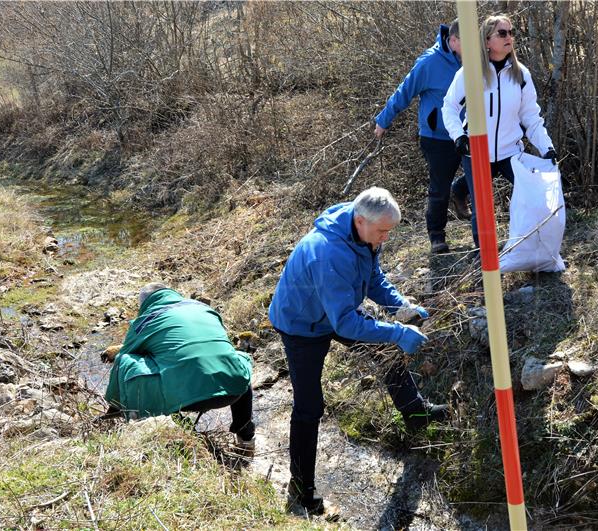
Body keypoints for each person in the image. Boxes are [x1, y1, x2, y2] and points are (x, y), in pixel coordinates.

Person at [268, 187, 448, 514]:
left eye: (389, 232)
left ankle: (415, 413)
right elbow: (346, 324)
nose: (385, 239)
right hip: (301, 324)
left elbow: (374, 279)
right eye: (382, 232)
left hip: (335, 312)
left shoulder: (362, 234)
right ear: (361, 220)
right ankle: (300, 491)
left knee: (382, 352)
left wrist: (402, 307)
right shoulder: (328, 253)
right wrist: (396, 332)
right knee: (310, 406)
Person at [442, 14, 557, 247]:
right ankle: (482, 257)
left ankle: (533, 247)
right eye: (502, 33)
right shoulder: (470, 72)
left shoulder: (521, 74)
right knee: (483, 209)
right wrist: (459, 136)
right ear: (486, 41)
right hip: (476, 153)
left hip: (509, 152)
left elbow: (531, 117)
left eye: (511, 32)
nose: (509, 37)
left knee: (531, 195)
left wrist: (547, 147)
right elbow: (449, 107)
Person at [103, 282, 255, 452]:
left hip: (185, 399)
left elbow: (126, 352)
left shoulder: (144, 322)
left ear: (145, 304)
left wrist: (114, 404)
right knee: (237, 360)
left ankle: (170, 426)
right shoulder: (203, 308)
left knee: (125, 360)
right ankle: (246, 436)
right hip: (234, 390)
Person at [375, 19, 472, 255]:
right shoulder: (430, 62)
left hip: (469, 132)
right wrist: (383, 120)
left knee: (482, 175)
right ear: (453, 40)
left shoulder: (475, 60)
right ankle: (437, 236)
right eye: (468, 42)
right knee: (439, 189)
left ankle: (459, 191)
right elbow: (404, 91)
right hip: (437, 137)